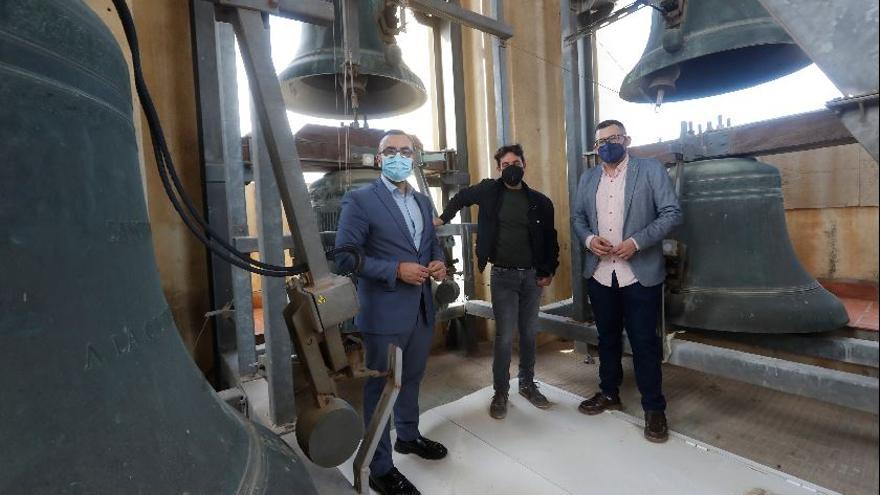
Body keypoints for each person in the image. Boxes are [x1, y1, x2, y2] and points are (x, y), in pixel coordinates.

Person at [335, 130, 448, 495]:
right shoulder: (360, 200)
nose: (399, 156)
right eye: (391, 151)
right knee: (382, 386)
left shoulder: (422, 202)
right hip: (383, 311)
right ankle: (379, 468)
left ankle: (409, 436)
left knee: (411, 378)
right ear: (379, 159)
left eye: (406, 151)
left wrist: (438, 263)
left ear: (413, 158)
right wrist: (394, 270)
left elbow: (432, 245)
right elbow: (344, 257)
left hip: (420, 308)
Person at [572, 119, 682, 443]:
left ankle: (654, 409)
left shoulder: (650, 170)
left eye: (614, 138)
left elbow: (672, 213)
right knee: (606, 338)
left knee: (644, 342)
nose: (607, 145)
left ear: (626, 140)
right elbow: (577, 217)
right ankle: (609, 392)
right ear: (595, 148)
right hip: (601, 272)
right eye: (601, 142)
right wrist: (590, 239)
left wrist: (635, 242)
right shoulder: (588, 177)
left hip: (639, 273)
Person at [434, 144, 559, 420]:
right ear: (499, 169)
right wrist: (443, 218)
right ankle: (500, 391)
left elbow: (550, 240)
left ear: (524, 165)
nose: (511, 167)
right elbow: (461, 198)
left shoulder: (540, 201)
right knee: (504, 337)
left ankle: (527, 384)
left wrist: (549, 269)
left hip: (531, 276)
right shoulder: (489, 190)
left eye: (515, 162)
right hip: (502, 275)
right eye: (505, 165)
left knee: (528, 332)